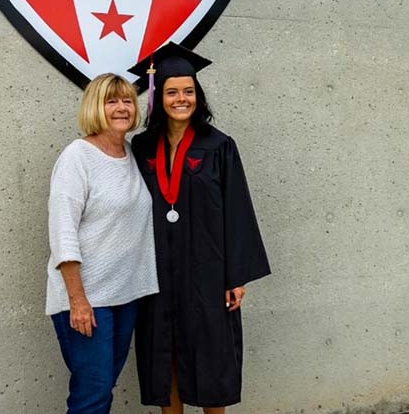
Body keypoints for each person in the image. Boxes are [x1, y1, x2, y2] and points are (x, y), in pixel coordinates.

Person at [127, 42, 271, 413]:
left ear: (198, 96)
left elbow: (238, 211)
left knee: (211, 361)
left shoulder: (219, 145)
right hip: (157, 273)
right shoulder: (142, 147)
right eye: (172, 92)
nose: (181, 99)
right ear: (159, 97)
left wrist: (235, 276)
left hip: (206, 273)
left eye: (188, 92)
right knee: (165, 358)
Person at [46, 73, 159, 414]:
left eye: (127, 100)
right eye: (112, 101)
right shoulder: (77, 157)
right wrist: (78, 300)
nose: (122, 107)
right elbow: (63, 231)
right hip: (87, 300)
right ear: (95, 107)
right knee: (92, 396)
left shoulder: (132, 154)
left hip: (125, 296)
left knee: (101, 389)